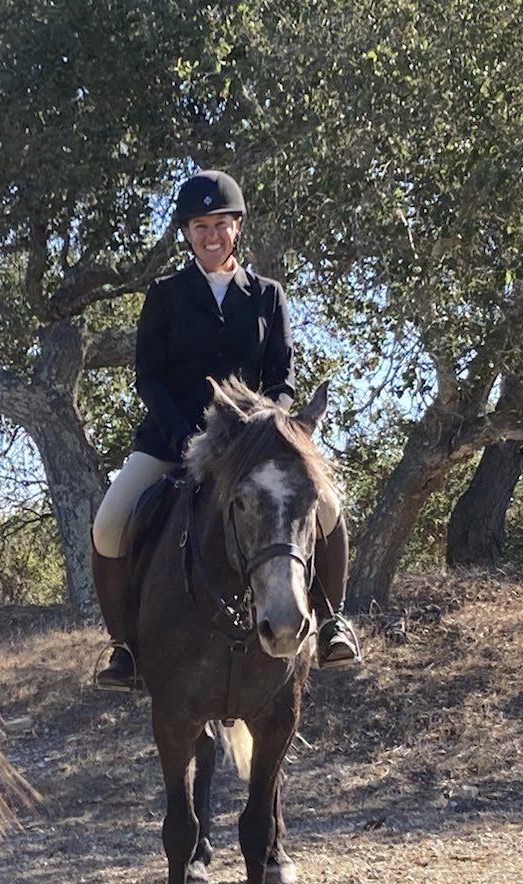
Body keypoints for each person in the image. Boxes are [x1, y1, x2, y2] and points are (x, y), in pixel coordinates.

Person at [90, 169, 358, 690]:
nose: (210, 235)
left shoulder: (267, 295)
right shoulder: (165, 294)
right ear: (186, 234)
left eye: (220, 224)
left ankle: (331, 622)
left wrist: (267, 428)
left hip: (253, 445)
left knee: (327, 507)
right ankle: (124, 647)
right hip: (174, 441)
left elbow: (282, 378)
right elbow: (149, 375)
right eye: (199, 226)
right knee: (107, 525)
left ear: (237, 227)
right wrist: (182, 435)